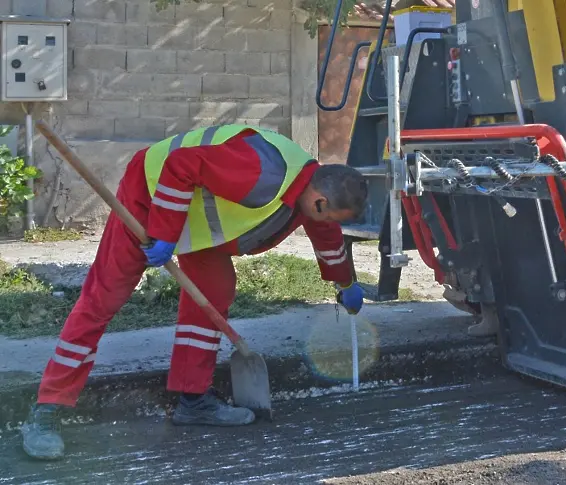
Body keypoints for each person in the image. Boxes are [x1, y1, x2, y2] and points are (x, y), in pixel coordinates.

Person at [20, 124, 368, 460]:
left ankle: (193, 400)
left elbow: (326, 237)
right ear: (320, 201)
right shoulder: (264, 173)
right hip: (150, 195)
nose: (328, 225)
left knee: (214, 293)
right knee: (104, 298)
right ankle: (47, 409)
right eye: (331, 217)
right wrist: (164, 234)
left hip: (196, 219)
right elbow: (180, 165)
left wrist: (345, 283)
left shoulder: (308, 189)